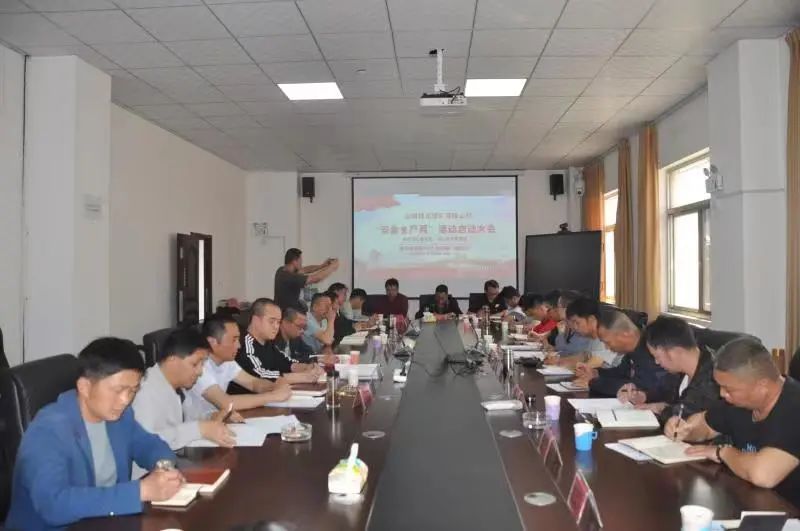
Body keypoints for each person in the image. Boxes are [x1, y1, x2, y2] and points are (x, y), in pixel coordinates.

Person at [6, 338, 182, 530]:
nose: (125, 400)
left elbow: (149, 445)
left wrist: (163, 467)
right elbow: (54, 505)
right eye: (119, 390)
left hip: (105, 523)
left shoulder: (120, 416)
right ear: (85, 387)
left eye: (133, 391)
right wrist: (139, 492)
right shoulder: (48, 430)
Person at [667, 338, 800, 507]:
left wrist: (722, 452)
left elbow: (763, 475)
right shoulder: (739, 402)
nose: (722, 394)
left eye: (728, 389)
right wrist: (685, 429)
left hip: (790, 509)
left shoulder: (794, 407)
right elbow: (704, 425)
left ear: (762, 386)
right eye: (720, 387)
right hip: (752, 500)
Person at [132, 328, 235, 454]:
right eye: (195, 364)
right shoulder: (144, 390)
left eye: (202, 364)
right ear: (172, 359)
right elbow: (147, 441)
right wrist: (200, 429)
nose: (200, 372)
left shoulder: (178, 385)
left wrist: (211, 417)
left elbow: (190, 415)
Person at [183, 314, 291, 419]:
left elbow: (253, 383)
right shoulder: (199, 366)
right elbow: (226, 402)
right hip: (196, 427)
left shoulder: (227, 362)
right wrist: (273, 396)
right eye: (234, 340)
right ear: (212, 342)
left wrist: (275, 387)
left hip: (217, 420)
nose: (239, 346)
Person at [574, 309, 675, 400]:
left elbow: (639, 386)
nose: (606, 347)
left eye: (608, 342)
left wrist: (593, 382)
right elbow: (621, 372)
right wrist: (596, 372)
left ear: (625, 334)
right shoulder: (632, 350)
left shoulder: (650, 349)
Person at [638, 315, 721, 423]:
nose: (657, 362)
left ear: (674, 352)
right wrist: (645, 396)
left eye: (657, 356)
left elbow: (685, 416)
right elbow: (667, 393)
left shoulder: (713, 377)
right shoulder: (681, 370)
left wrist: (662, 410)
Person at [236, 298, 323, 384]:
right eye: (271, 321)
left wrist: (308, 367)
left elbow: (288, 363)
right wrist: (305, 377)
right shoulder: (244, 345)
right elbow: (261, 376)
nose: (276, 326)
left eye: (278, 322)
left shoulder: (269, 344)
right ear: (256, 320)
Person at [274, 248, 339, 311]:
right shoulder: (290, 277)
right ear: (294, 261)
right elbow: (316, 278)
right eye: (300, 260)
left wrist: (322, 265)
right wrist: (332, 267)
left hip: (287, 310)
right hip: (288, 314)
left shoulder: (281, 270)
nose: (301, 263)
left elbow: (305, 269)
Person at [564, 298, 619, 367]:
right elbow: (584, 356)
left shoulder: (605, 335)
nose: (574, 327)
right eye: (572, 323)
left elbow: (593, 363)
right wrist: (559, 362)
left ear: (591, 319)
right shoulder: (593, 338)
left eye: (577, 323)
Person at [549, 290, 593, 355]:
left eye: (558, 306)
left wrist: (561, 333)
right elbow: (562, 349)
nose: (557, 310)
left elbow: (574, 352)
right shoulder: (567, 325)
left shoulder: (582, 327)